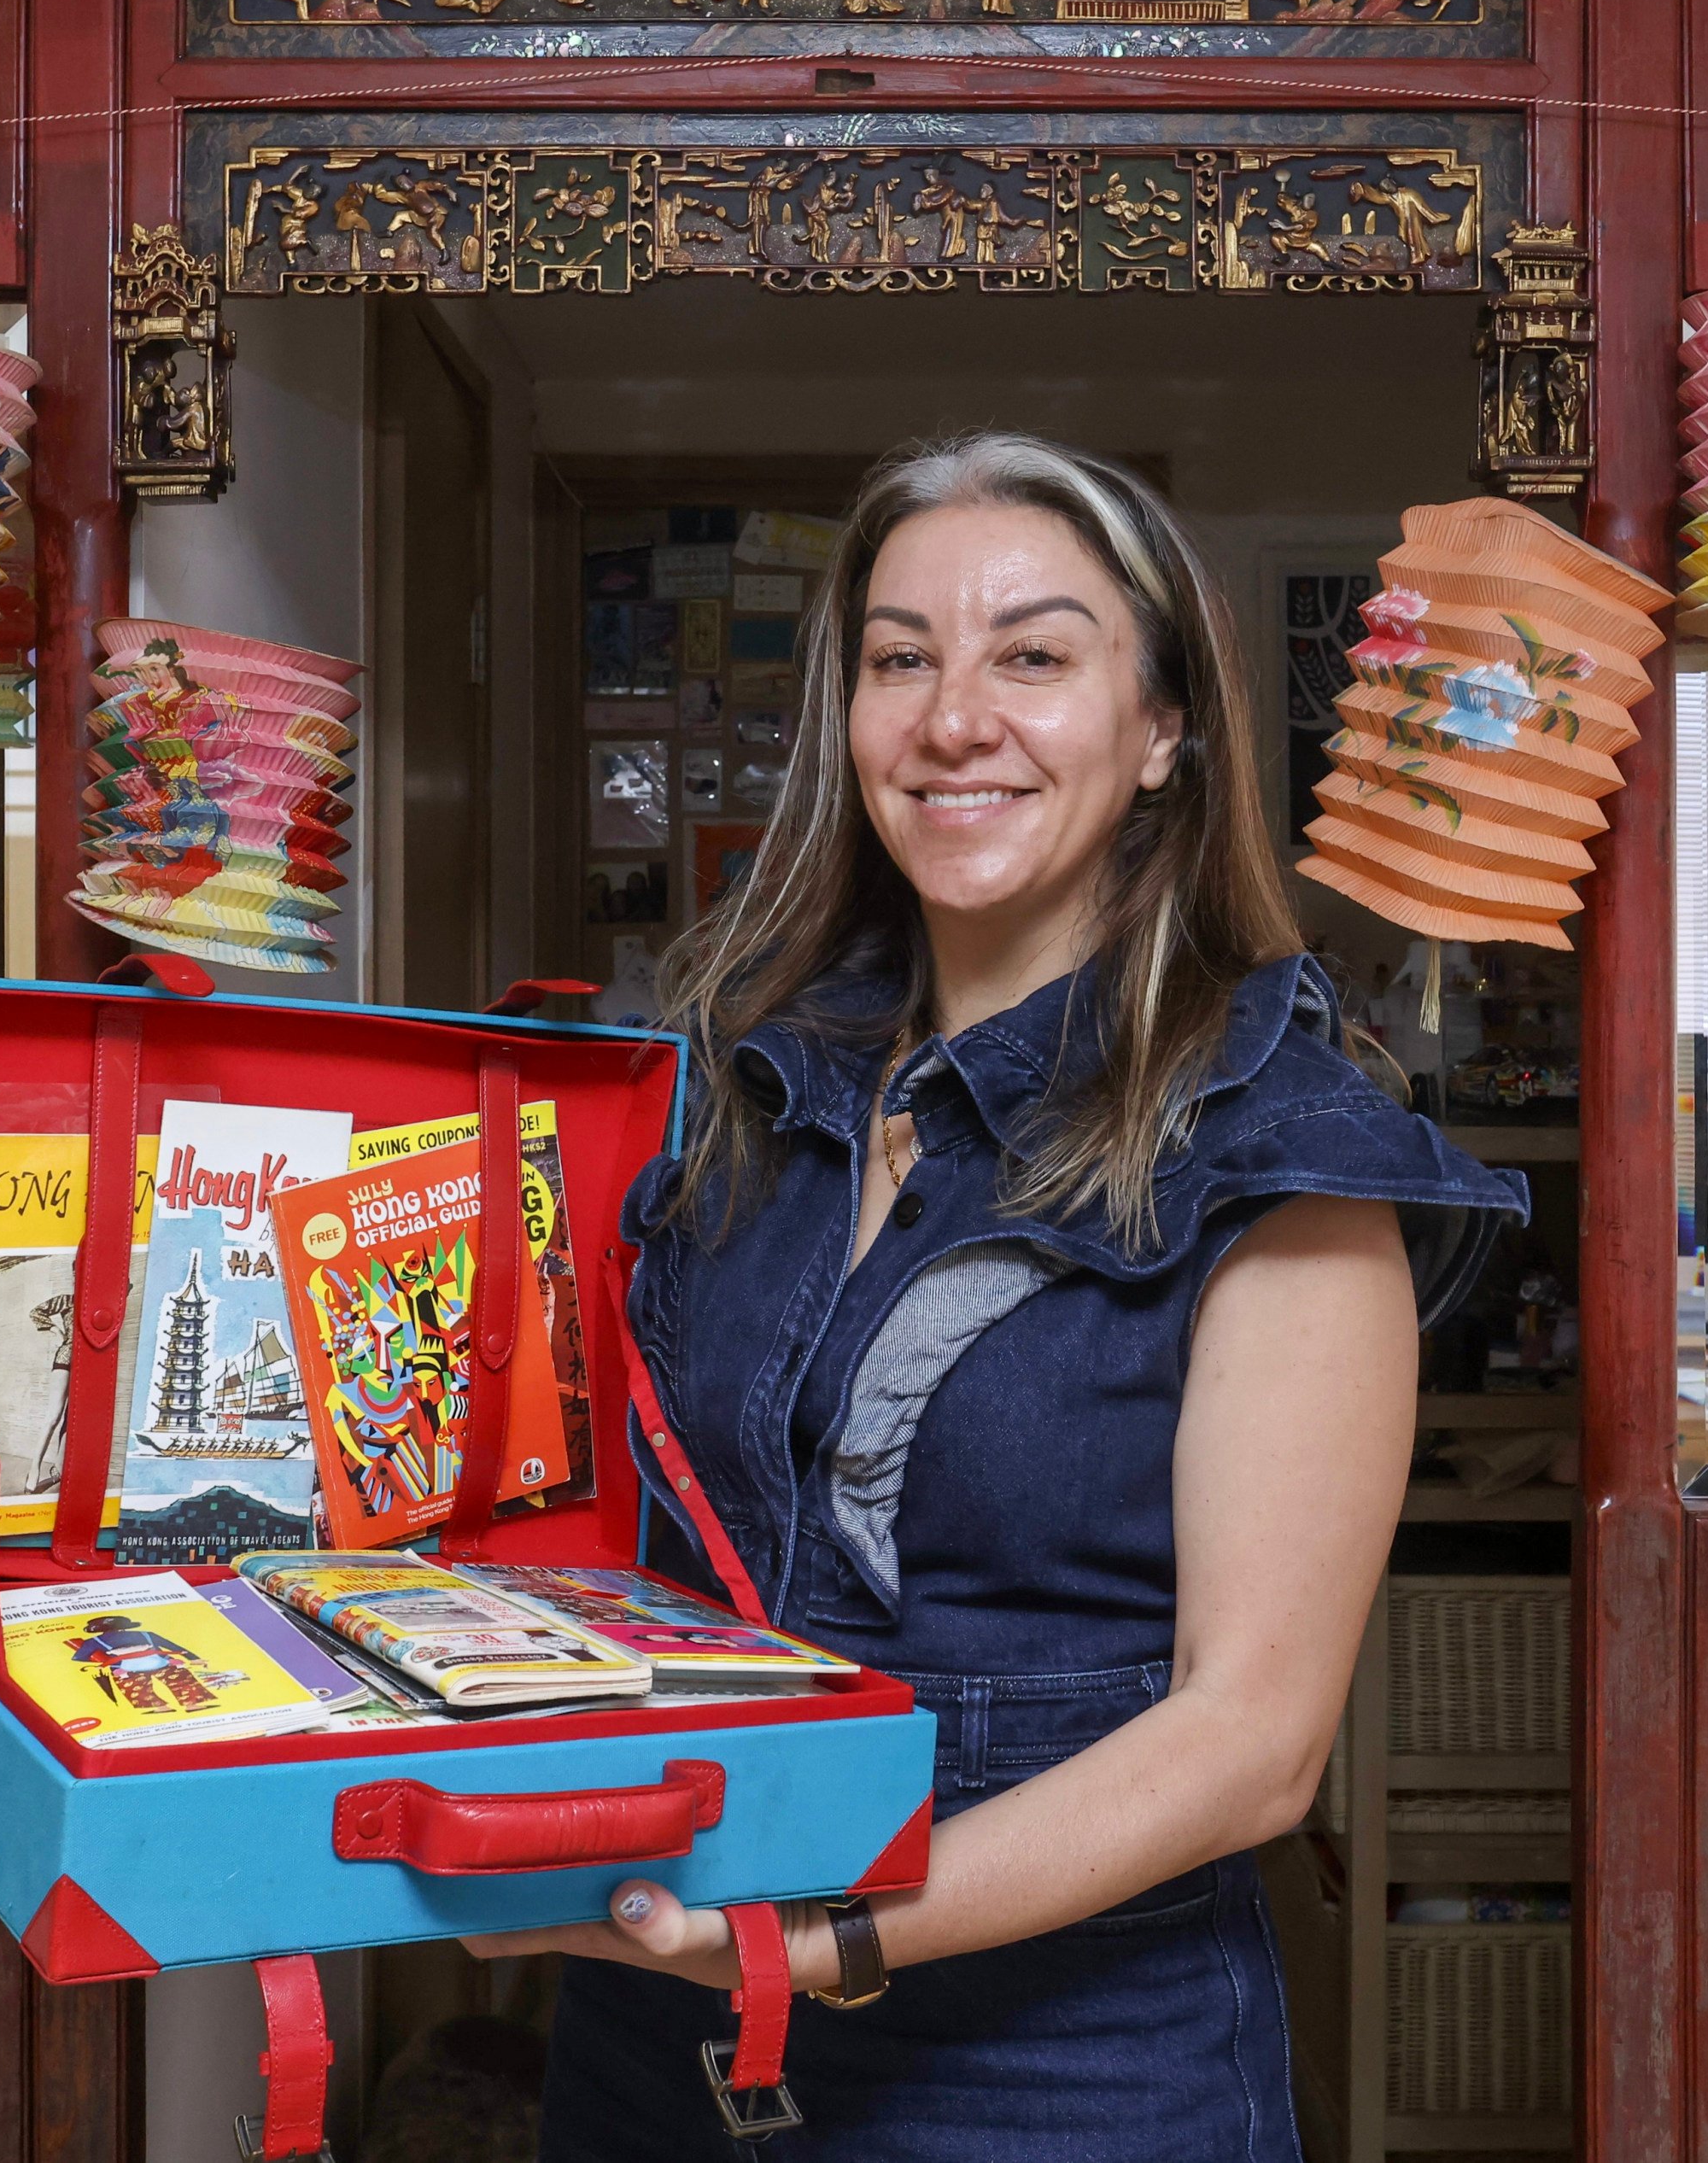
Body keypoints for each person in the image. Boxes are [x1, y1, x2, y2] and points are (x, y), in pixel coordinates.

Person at [475, 432, 1521, 2159]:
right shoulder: (732, 1089)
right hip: (656, 2033)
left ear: (1163, 727)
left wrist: (831, 1940)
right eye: (900, 658)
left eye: (1032, 654)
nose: (952, 717)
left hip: (1061, 2070)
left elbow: (1255, 1740)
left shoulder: (1287, 1149)